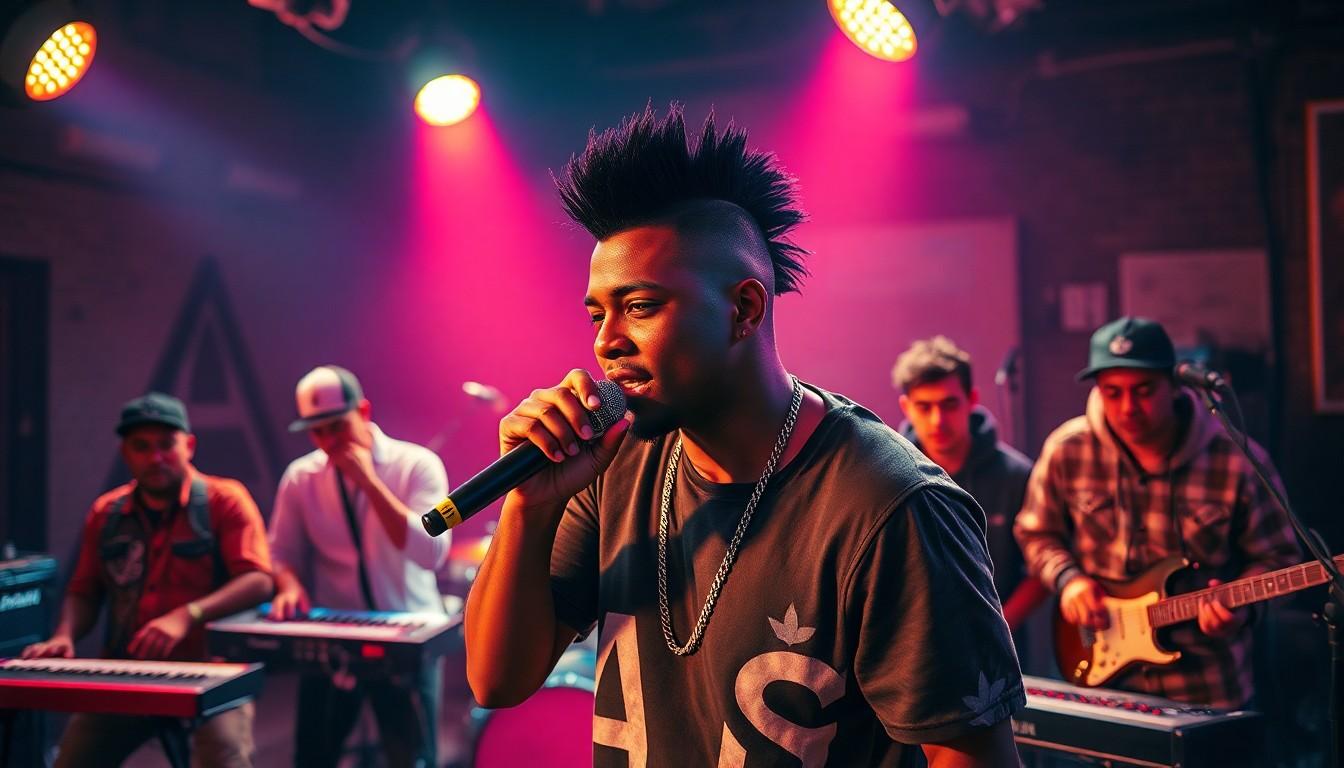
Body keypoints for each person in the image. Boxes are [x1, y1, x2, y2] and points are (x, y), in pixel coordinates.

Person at [464, 106, 1023, 766]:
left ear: (744, 309)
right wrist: (528, 506)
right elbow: (497, 681)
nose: (607, 342)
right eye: (597, 314)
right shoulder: (611, 466)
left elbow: (970, 757)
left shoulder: (892, 505)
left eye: (639, 307)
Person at [1013, 316, 1302, 709]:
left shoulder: (1238, 460)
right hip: (1099, 686)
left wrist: (1244, 611)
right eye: (1112, 392)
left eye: (1144, 390)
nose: (1128, 407)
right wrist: (1068, 579)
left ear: (1175, 384)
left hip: (1207, 688)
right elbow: (1035, 532)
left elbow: (1280, 557)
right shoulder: (1066, 450)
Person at [23, 392, 274, 767]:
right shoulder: (107, 512)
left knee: (224, 752)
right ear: (125, 453)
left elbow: (258, 580)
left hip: (214, 670)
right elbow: (84, 591)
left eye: (166, 445)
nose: (155, 457)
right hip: (128, 670)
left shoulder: (225, 500)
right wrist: (64, 636)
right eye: (141, 447)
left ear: (189, 445)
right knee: (74, 758)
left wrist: (187, 615)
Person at [267, 365, 450, 768]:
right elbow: (281, 553)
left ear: (363, 411)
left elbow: (431, 554)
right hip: (337, 636)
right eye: (317, 432)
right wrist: (290, 586)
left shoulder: (417, 464)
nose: (329, 442)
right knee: (313, 757)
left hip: (409, 633)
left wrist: (370, 483)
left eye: (338, 426)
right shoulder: (301, 477)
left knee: (413, 759)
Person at [893, 337, 1048, 639]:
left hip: (1001, 647)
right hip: (915, 645)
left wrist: (997, 627)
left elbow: (1041, 567)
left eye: (949, 404)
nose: (938, 420)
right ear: (906, 407)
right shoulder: (889, 476)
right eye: (924, 407)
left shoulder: (1017, 475)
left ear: (972, 399)